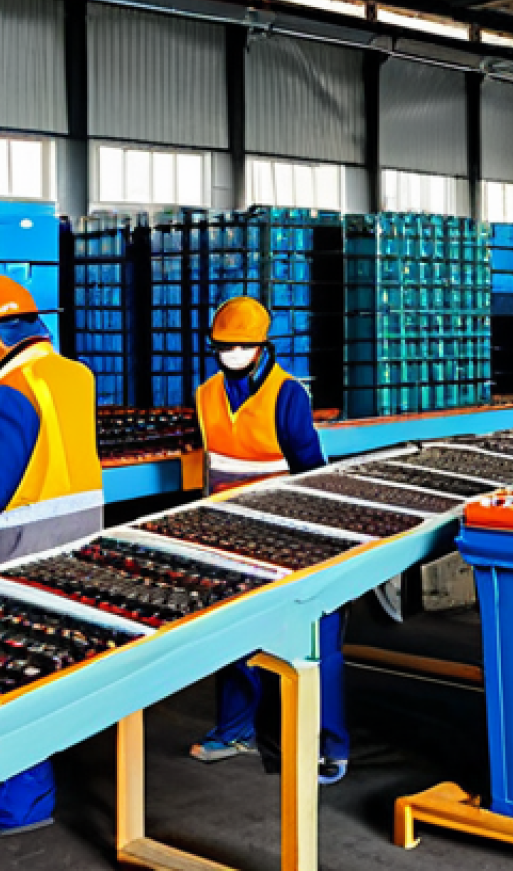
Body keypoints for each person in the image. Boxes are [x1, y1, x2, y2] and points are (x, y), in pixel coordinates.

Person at [0, 274, 102, 840]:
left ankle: (22, 803)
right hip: (78, 547)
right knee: (51, 665)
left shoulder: (10, 390)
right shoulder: (74, 375)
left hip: (16, 555)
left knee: (8, 673)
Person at [191, 296, 349, 785]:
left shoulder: (287, 395)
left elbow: (310, 470)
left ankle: (330, 746)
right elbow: (211, 468)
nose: (232, 353)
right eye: (224, 346)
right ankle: (235, 730)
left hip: (286, 534)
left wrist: (321, 538)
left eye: (241, 346)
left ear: (262, 347)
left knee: (315, 639)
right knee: (233, 636)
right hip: (229, 533)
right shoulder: (206, 393)